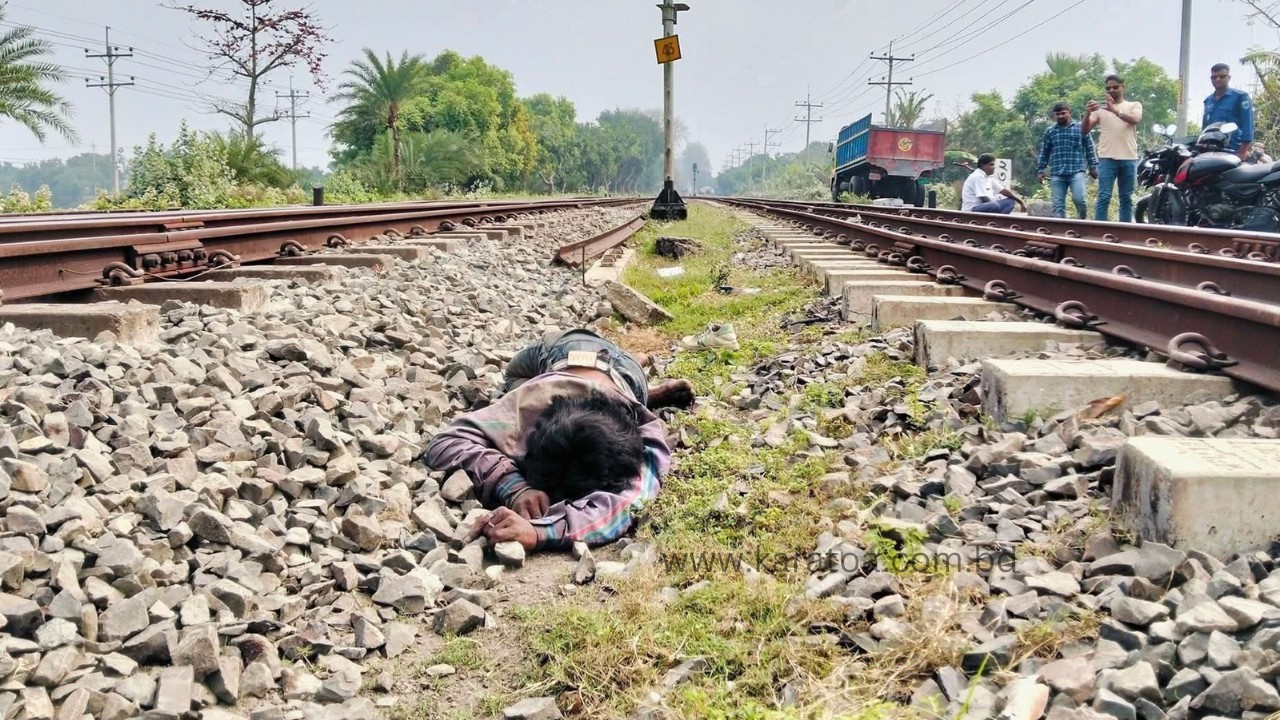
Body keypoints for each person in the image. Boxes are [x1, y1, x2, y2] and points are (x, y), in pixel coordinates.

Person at [422, 328, 694, 553]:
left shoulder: (646, 435)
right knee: (513, 379)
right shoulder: (530, 405)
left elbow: (628, 504)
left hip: (628, 376)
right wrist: (514, 486)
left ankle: (643, 381)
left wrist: (541, 532)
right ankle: (640, 374)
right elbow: (444, 442)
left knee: (631, 381)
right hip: (562, 350)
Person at [1083, 74, 1143, 222]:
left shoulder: (1134, 105)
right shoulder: (1100, 109)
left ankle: (1125, 231)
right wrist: (1087, 113)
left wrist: (1114, 110)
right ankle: (1099, 231)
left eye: (1115, 87)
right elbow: (1084, 130)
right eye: (1108, 88)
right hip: (1107, 158)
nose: (1111, 90)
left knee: (1126, 197)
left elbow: (1135, 119)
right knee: (1104, 196)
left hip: (1129, 158)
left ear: (1123, 87)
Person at [1036, 102, 1098, 219]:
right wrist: (1040, 170)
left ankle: (1081, 223)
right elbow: (1044, 152)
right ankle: (1060, 231)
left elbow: (1090, 148)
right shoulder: (1050, 131)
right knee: (1058, 206)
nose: (1060, 116)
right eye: (1057, 114)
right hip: (1057, 173)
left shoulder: (1081, 128)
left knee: (1080, 199)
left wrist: (1093, 166)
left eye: (1063, 113)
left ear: (1070, 113)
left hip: (1076, 171)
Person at [1203, 63, 1255, 162]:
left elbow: (1248, 125)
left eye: (1222, 76)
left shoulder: (1241, 97)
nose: (1217, 79)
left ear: (1229, 77)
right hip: (1212, 151)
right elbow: (1205, 128)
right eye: (1214, 77)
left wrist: (1242, 152)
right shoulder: (1208, 101)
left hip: (1234, 150)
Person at [961, 153, 1027, 214]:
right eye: (991, 164)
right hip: (973, 209)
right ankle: (995, 218)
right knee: (994, 205)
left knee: (1010, 202)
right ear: (983, 165)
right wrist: (995, 205)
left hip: (988, 206)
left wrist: (1021, 202)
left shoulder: (989, 177)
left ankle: (1000, 220)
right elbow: (983, 197)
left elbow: (1004, 191)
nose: (994, 167)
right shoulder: (978, 176)